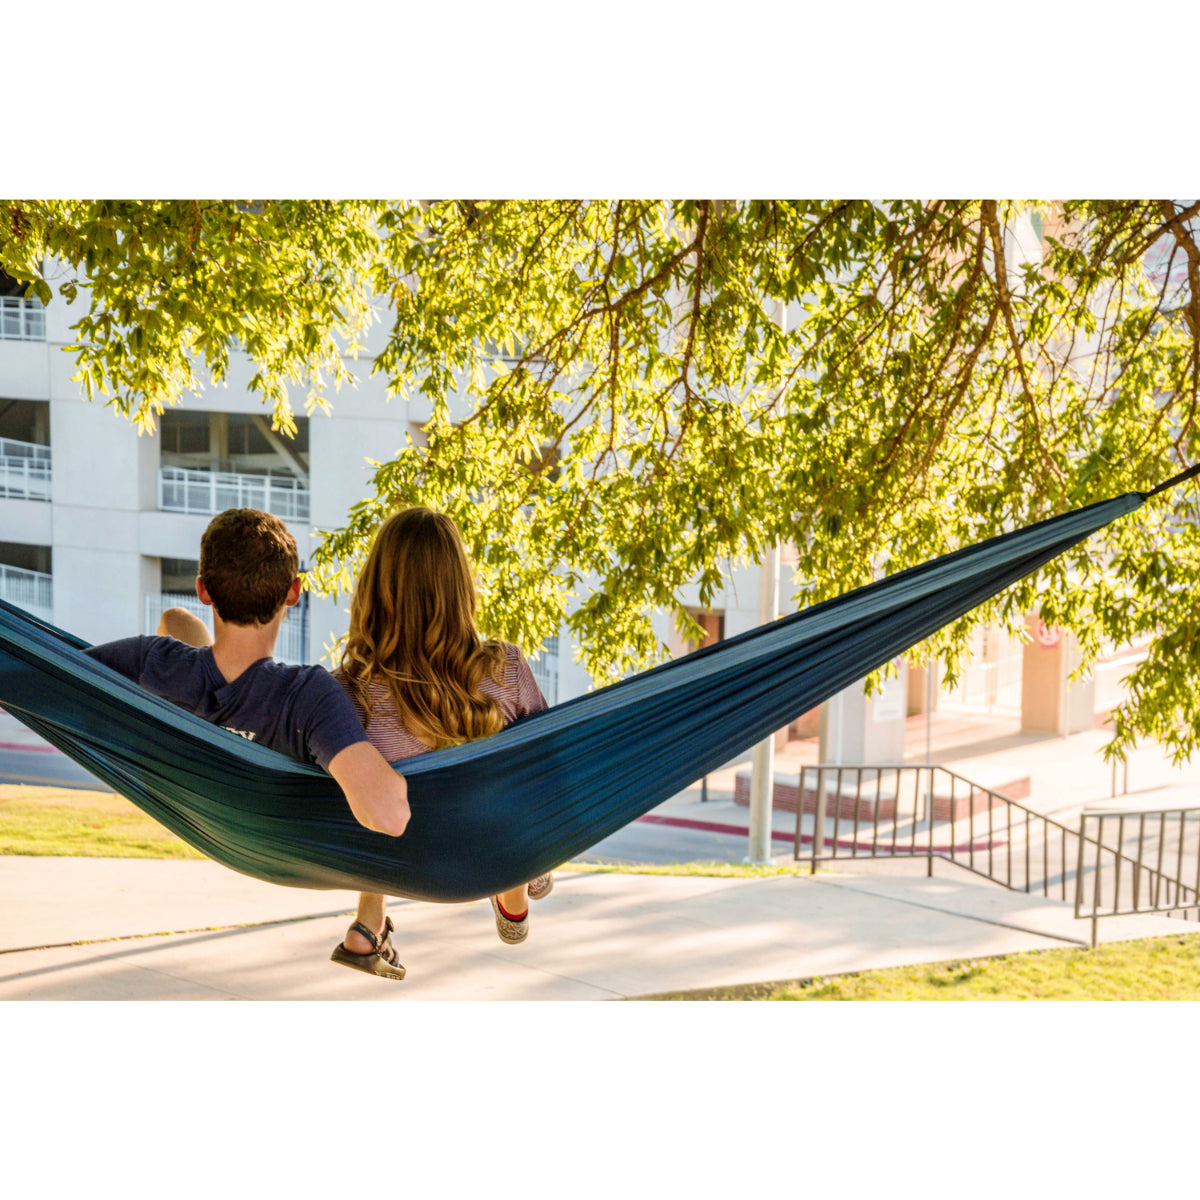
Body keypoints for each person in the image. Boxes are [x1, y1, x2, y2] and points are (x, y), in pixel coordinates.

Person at [84, 507, 412, 979]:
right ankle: (371, 922)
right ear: (294, 593)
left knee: (176, 627)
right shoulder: (308, 698)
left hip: (196, 782)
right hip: (276, 838)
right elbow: (390, 814)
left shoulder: (149, 661)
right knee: (180, 633)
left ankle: (208, 679)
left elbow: (56, 675)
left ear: (204, 590)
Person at [331, 506, 551, 980]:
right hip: (483, 848)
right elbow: (549, 761)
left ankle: (369, 921)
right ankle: (517, 874)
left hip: (398, 857)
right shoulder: (507, 669)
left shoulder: (345, 692)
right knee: (524, 755)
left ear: (374, 587)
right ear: (461, 589)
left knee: (369, 778)